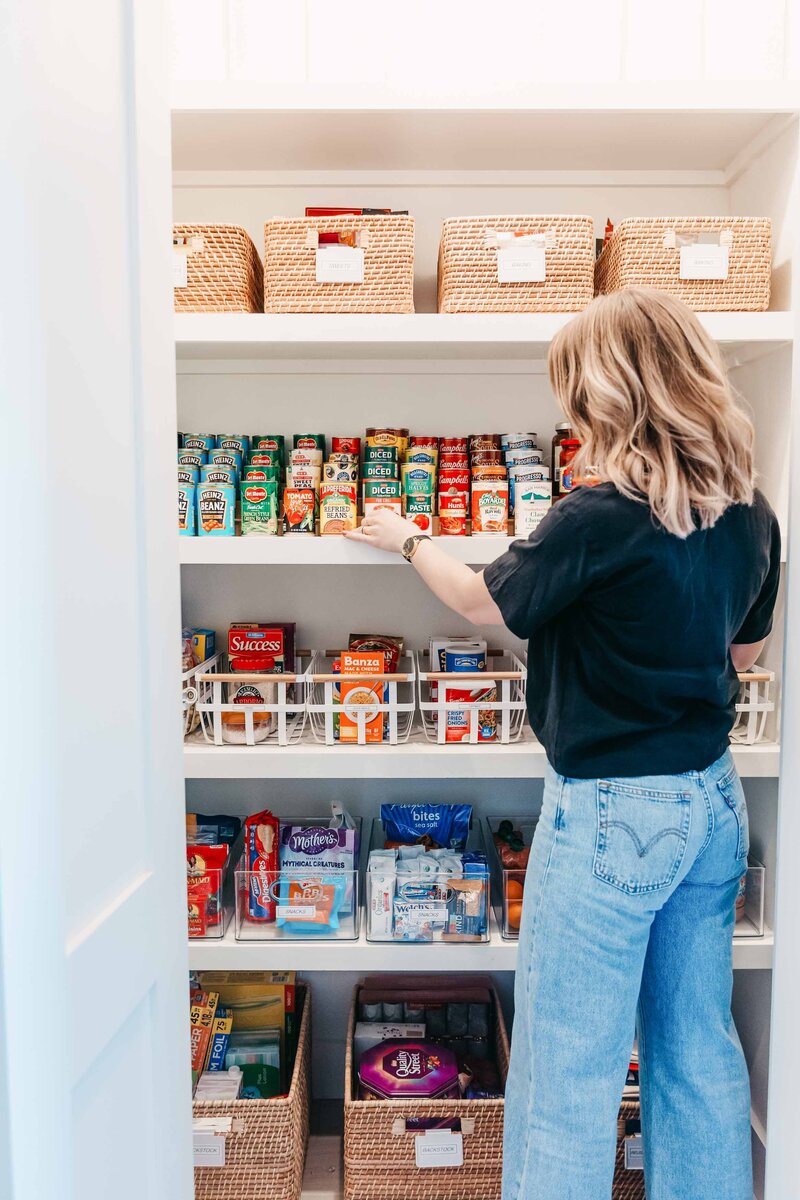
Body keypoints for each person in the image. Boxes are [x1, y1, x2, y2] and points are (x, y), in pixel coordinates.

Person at [344, 287, 781, 1200]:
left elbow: (484, 602)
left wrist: (407, 536)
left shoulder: (599, 514)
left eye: (575, 395)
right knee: (696, 1050)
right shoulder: (750, 511)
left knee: (567, 1073)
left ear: (611, 396)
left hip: (616, 812)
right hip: (711, 803)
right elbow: (745, 648)